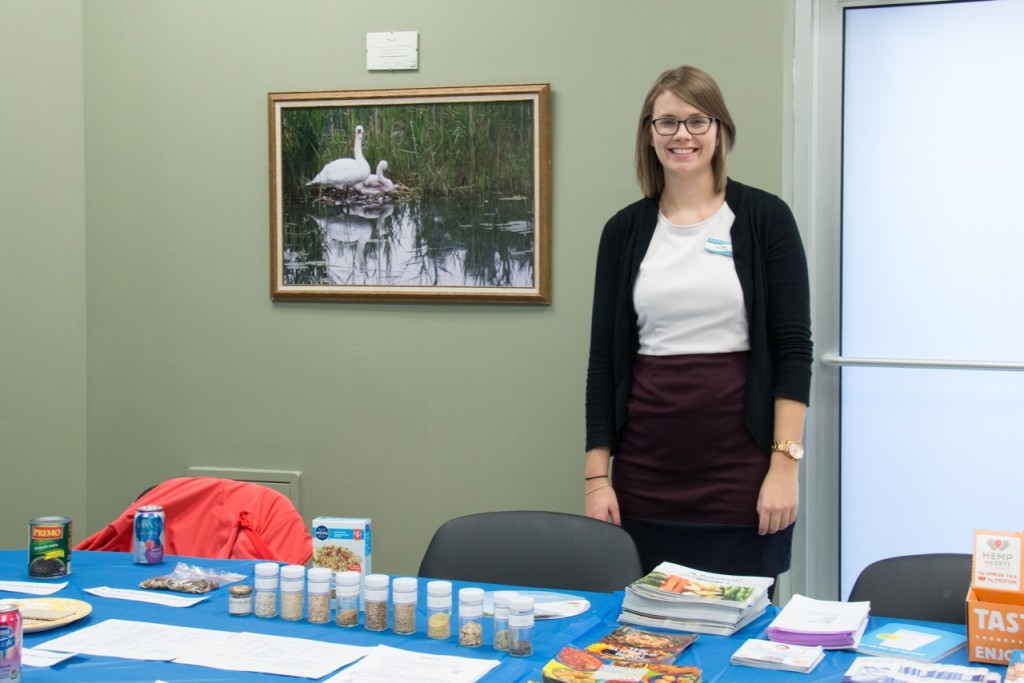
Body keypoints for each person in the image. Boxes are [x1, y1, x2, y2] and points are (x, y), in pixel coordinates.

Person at [584, 66, 812, 584]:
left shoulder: (765, 218)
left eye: (696, 120)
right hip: (646, 472)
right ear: (649, 134)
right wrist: (597, 479)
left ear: (720, 130)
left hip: (742, 472)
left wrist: (785, 467)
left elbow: (793, 350)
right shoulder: (623, 231)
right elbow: (603, 363)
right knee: (644, 621)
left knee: (739, 622)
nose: (681, 134)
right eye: (666, 122)